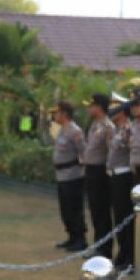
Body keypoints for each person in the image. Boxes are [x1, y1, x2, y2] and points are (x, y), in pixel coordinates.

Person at [52, 101, 88, 251]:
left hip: (72, 175)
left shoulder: (75, 131)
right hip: (62, 175)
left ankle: (80, 239)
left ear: (64, 114)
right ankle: (72, 236)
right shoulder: (62, 130)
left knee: (74, 209)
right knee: (65, 209)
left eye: (57, 112)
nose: (55, 115)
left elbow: (83, 151)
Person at [83, 93, 115, 258]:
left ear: (99, 107)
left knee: (102, 212)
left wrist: (108, 173)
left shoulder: (107, 126)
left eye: (91, 105)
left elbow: (111, 151)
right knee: (95, 211)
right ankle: (98, 244)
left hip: (101, 172)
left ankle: (105, 248)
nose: (89, 108)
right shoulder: (95, 125)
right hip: (91, 171)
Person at [107, 102, 135, 268]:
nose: (112, 112)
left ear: (123, 112)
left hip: (125, 176)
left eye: (115, 110)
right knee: (118, 218)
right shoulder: (119, 129)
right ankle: (123, 253)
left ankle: (129, 256)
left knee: (126, 217)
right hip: (115, 176)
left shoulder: (128, 129)